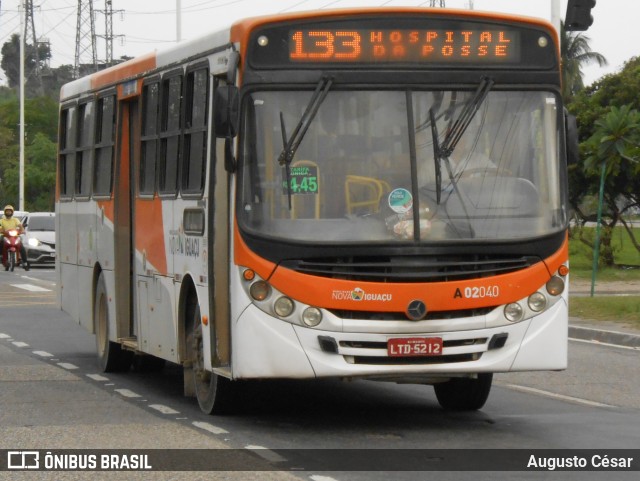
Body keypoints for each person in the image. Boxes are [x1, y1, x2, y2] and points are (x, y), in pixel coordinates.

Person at [0, 205, 30, 270]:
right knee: (1, 242)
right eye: (7, 211)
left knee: (21, 247)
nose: (8, 212)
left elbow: (20, 226)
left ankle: (25, 262)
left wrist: (22, 230)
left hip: (14, 236)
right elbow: (0, 226)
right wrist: (1, 230)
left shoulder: (15, 220)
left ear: (12, 212)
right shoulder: (2, 220)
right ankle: (1, 256)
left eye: (9, 211)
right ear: (5, 212)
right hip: (5, 235)